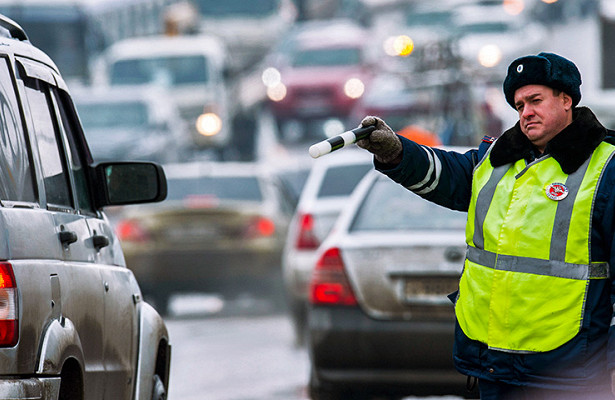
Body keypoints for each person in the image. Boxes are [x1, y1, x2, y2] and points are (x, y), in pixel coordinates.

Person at [356, 52, 615, 399]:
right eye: (519, 105)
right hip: (495, 364)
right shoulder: (498, 161)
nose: (526, 112)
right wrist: (397, 152)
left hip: (569, 372)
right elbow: (444, 173)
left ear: (566, 100)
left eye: (536, 100)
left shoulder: (606, 169)